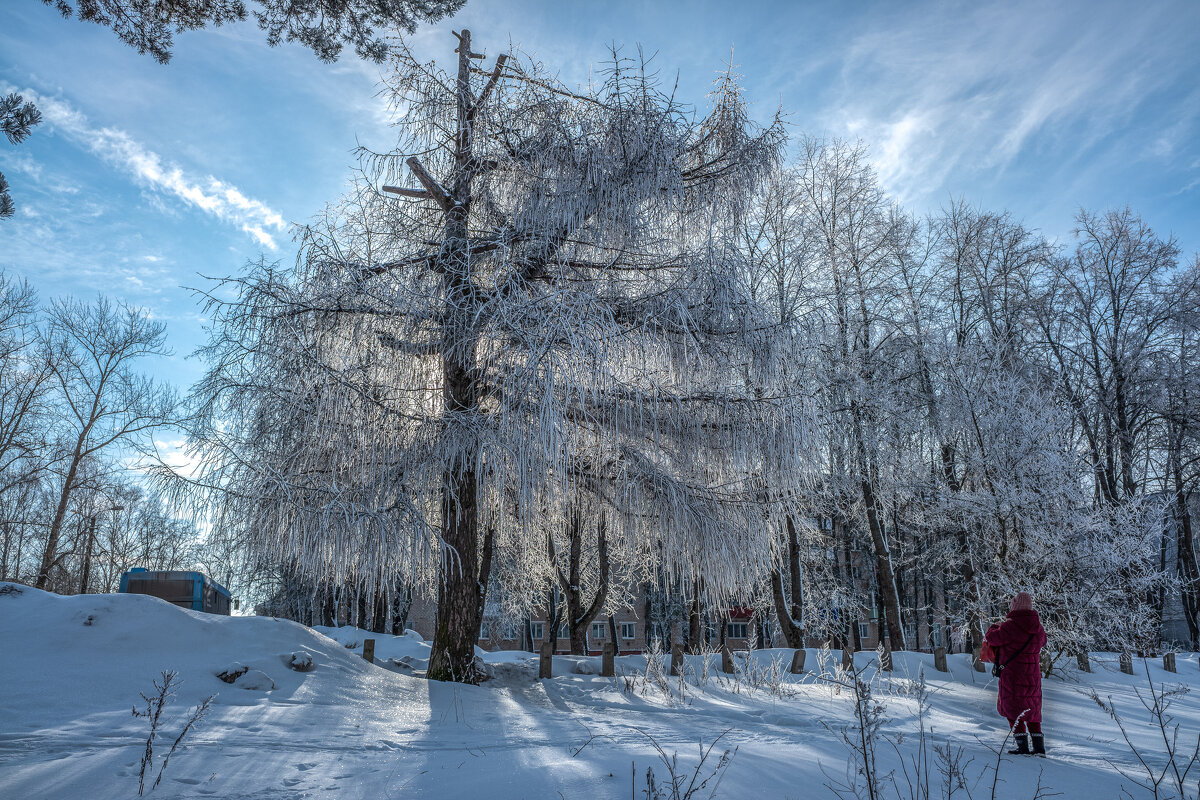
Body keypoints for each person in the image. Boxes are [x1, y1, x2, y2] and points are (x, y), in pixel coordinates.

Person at [985, 591, 1048, 756]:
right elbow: (1043, 641)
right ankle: (1039, 748)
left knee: (1013, 710)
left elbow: (992, 639)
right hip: (1033, 677)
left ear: (1015, 607)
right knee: (1032, 711)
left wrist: (994, 626)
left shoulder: (1010, 626)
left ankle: (1022, 747)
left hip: (1013, 676)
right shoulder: (1038, 629)